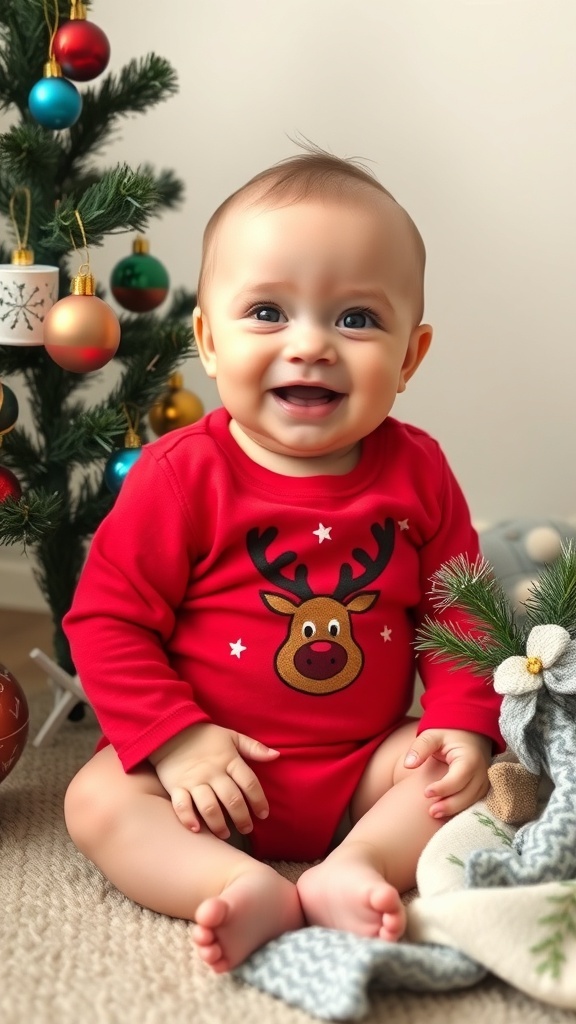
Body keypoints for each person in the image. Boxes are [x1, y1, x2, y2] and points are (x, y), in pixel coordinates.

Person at [63, 148, 503, 975]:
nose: (311, 345)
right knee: (94, 800)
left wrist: (459, 723)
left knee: (476, 777)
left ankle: (359, 864)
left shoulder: (419, 472)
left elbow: (462, 612)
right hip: (208, 778)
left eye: (357, 319)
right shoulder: (178, 476)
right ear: (208, 341)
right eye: (267, 312)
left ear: (410, 357)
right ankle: (230, 880)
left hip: (364, 767)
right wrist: (178, 741)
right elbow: (108, 619)